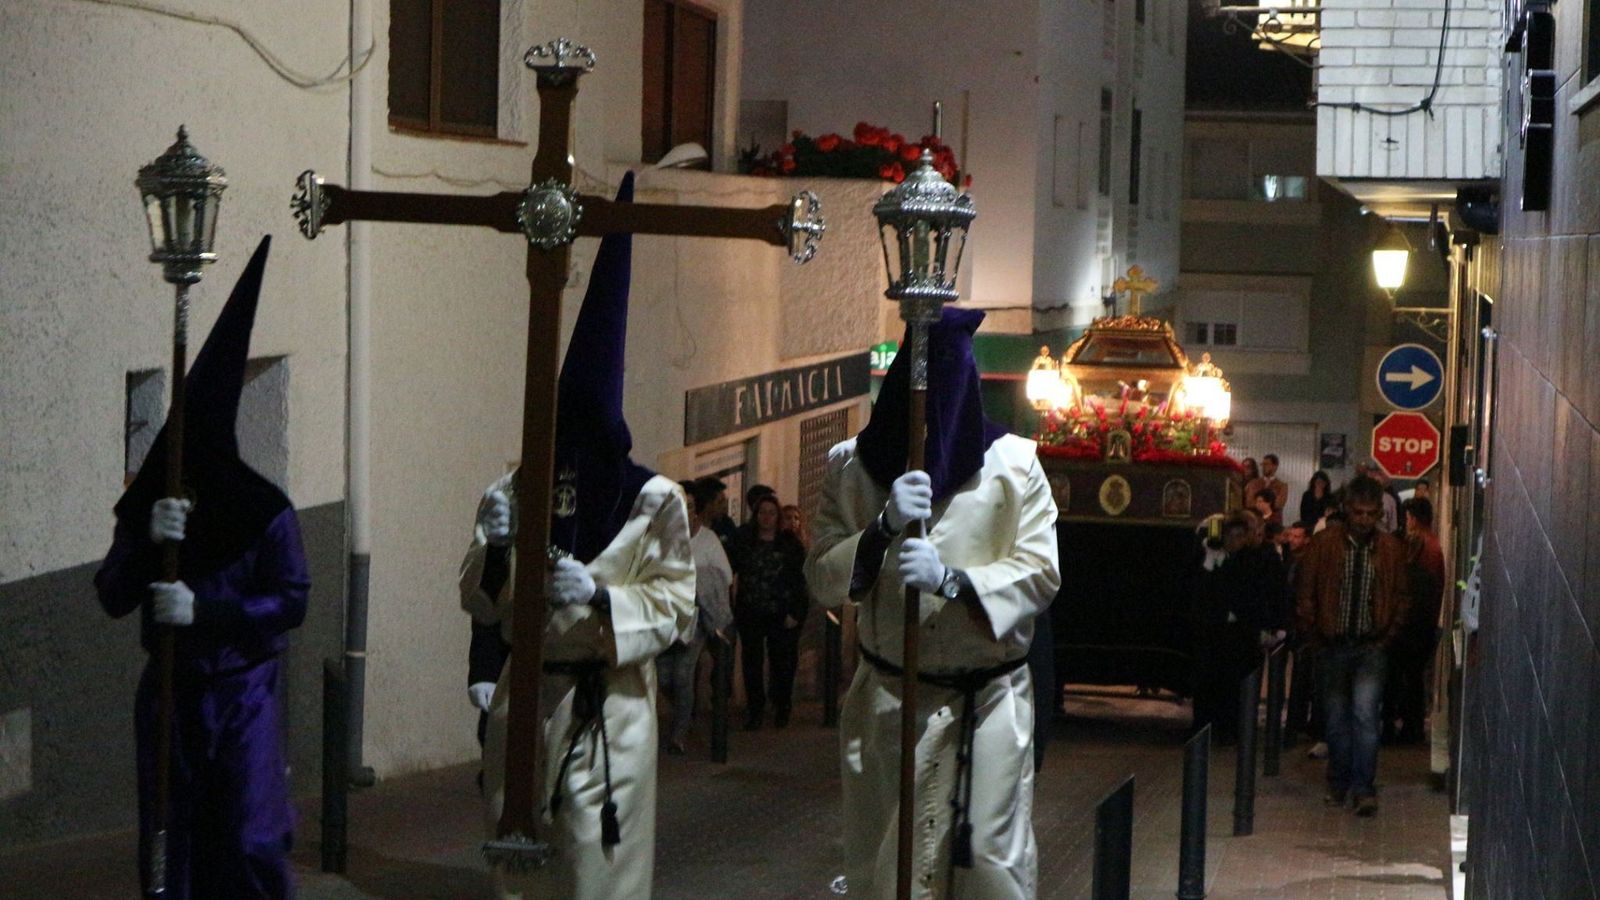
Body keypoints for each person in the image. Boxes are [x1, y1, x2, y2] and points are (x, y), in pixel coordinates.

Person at [461, 173, 696, 900]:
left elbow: (676, 605)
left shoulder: (653, 500)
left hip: (607, 707)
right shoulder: (514, 489)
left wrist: (600, 595)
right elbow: (478, 597)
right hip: (524, 699)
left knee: (596, 868)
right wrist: (495, 550)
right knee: (516, 868)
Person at [806, 307, 1061, 899]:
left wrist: (955, 581)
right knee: (888, 861)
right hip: (892, 699)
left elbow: (1040, 573)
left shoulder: (1016, 466)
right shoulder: (852, 468)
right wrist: (880, 531)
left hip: (987, 702)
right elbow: (822, 575)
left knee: (988, 863)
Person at [95, 239, 308, 899]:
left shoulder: (264, 510)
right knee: (171, 852)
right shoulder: (157, 505)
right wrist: (140, 543)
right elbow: (111, 595)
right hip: (169, 697)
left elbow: (291, 598)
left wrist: (209, 612)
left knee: (249, 840)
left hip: (243, 697)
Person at [1295, 476, 1412, 817]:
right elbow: (1306, 592)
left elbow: (1403, 597)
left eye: (1370, 514)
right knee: (1335, 719)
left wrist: (1387, 637)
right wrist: (1315, 636)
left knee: (1364, 716)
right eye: (1358, 513)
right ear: (1347, 510)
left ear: (1379, 513)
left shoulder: (1390, 550)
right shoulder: (1324, 544)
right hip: (1332, 644)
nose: (1363, 520)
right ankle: (1339, 780)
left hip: (1371, 646)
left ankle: (1362, 787)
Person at [658, 478, 735, 754]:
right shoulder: (662, 537)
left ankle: (678, 735)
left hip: (695, 618)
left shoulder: (709, 539)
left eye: (690, 506)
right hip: (667, 616)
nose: (686, 512)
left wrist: (697, 578)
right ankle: (685, 713)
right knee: (663, 676)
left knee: (683, 674)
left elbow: (725, 576)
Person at [727, 493, 810, 729]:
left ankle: (782, 705)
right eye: (762, 513)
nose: (766, 517)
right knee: (751, 662)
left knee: (781, 662)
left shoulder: (789, 545)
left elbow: (798, 581)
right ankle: (755, 710)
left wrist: (795, 612)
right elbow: (731, 569)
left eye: (771, 513)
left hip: (780, 612)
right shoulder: (746, 541)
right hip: (751, 611)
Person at [1386, 497, 1444, 744]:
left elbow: (1417, 595)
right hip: (1422, 627)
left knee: (1405, 680)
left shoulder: (1424, 550)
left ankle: (1408, 729)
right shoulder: (1433, 547)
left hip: (1414, 629)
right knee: (1413, 680)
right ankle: (1412, 728)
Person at [1246, 453, 1289, 524]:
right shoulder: (1253, 483)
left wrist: (1259, 503)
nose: (1264, 467)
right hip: (1256, 521)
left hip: (1274, 522)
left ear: (1275, 466)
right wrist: (1268, 504)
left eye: (1267, 464)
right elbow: (1249, 502)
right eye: (1263, 464)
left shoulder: (1282, 486)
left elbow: (1279, 504)